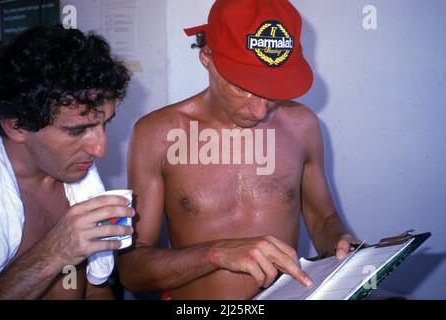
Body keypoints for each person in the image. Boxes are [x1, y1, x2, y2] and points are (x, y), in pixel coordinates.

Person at [119, 0, 358, 300]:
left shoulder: (302, 127)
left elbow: (323, 220)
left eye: (271, 89)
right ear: (207, 58)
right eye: (242, 86)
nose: (259, 110)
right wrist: (216, 254)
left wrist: (339, 242)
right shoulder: (157, 135)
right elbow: (131, 270)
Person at [0, 25, 132, 299]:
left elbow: (95, 288)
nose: (100, 149)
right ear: (17, 126)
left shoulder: (79, 180)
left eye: (104, 124)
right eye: (77, 130)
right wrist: (54, 253)